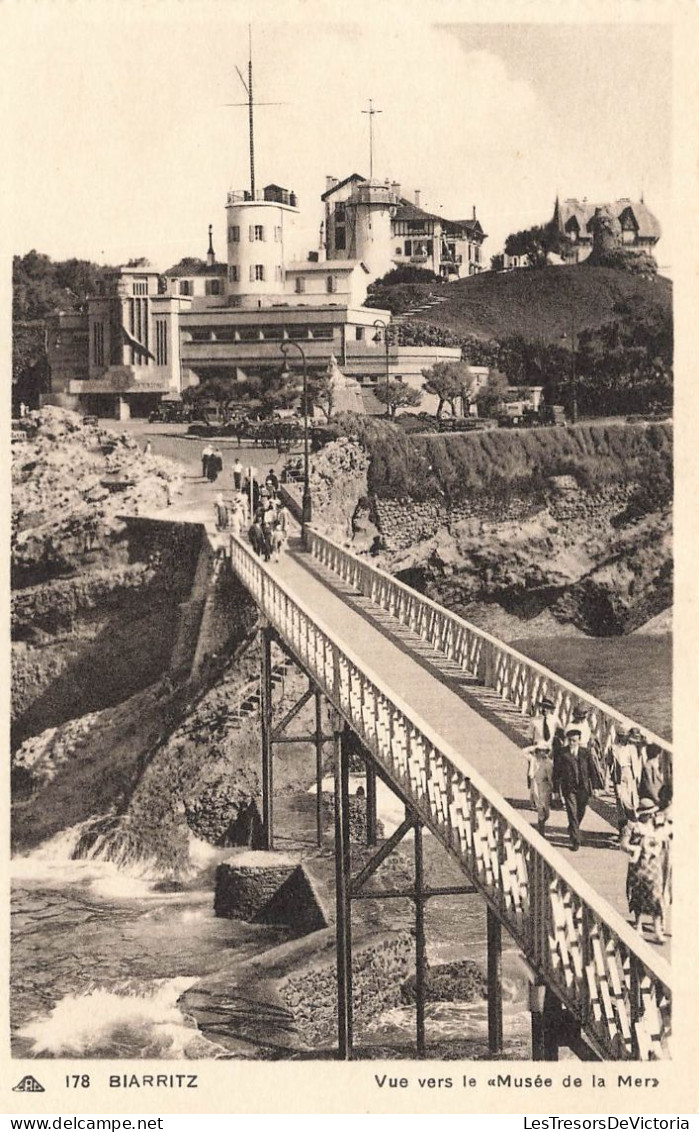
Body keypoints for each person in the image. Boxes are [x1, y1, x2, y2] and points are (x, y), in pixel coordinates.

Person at [622, 798, 671, 943]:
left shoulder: (656, 827)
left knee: (656, 896)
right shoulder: (632, 827)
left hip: (654, 865)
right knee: (638, 894)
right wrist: (634, 848)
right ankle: (638, 924)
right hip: (638, 865)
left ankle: (657, 929)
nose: (650, 816)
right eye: (648, 814)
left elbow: (665, 838)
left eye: (651, 813)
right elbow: (623, 844)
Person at [553, 728, 595, 851]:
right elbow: (556, 772)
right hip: (569, 788)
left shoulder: (585, 753)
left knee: (580, 812)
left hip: (583, 788)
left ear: (579, 741)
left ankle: (573, 827)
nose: (572, 743)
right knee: (572, 812)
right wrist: (556, 790)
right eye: (570, 740)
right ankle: (575, 840)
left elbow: (592, 770)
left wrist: (596, 787)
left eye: (574, 740)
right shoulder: (562, 753)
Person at [608, 728, 642, 836]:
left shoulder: (632, 748)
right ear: (620, 737)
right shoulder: (612, 748)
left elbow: (636, 765)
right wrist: (609, 779)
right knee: (621, 801)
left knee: (632, 801)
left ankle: (632, 829)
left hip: (629, 775)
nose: (626, 739)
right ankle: (623, 830)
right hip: (619, 776)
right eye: (624, 736)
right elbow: (609, 764)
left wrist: (637, 780)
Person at [638, 743, 665, 808]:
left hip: (657, 798)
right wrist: (658, 800)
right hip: (651, 799)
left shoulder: (653, 767)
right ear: (658, 755)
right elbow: (650, 787)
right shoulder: (648, 767)